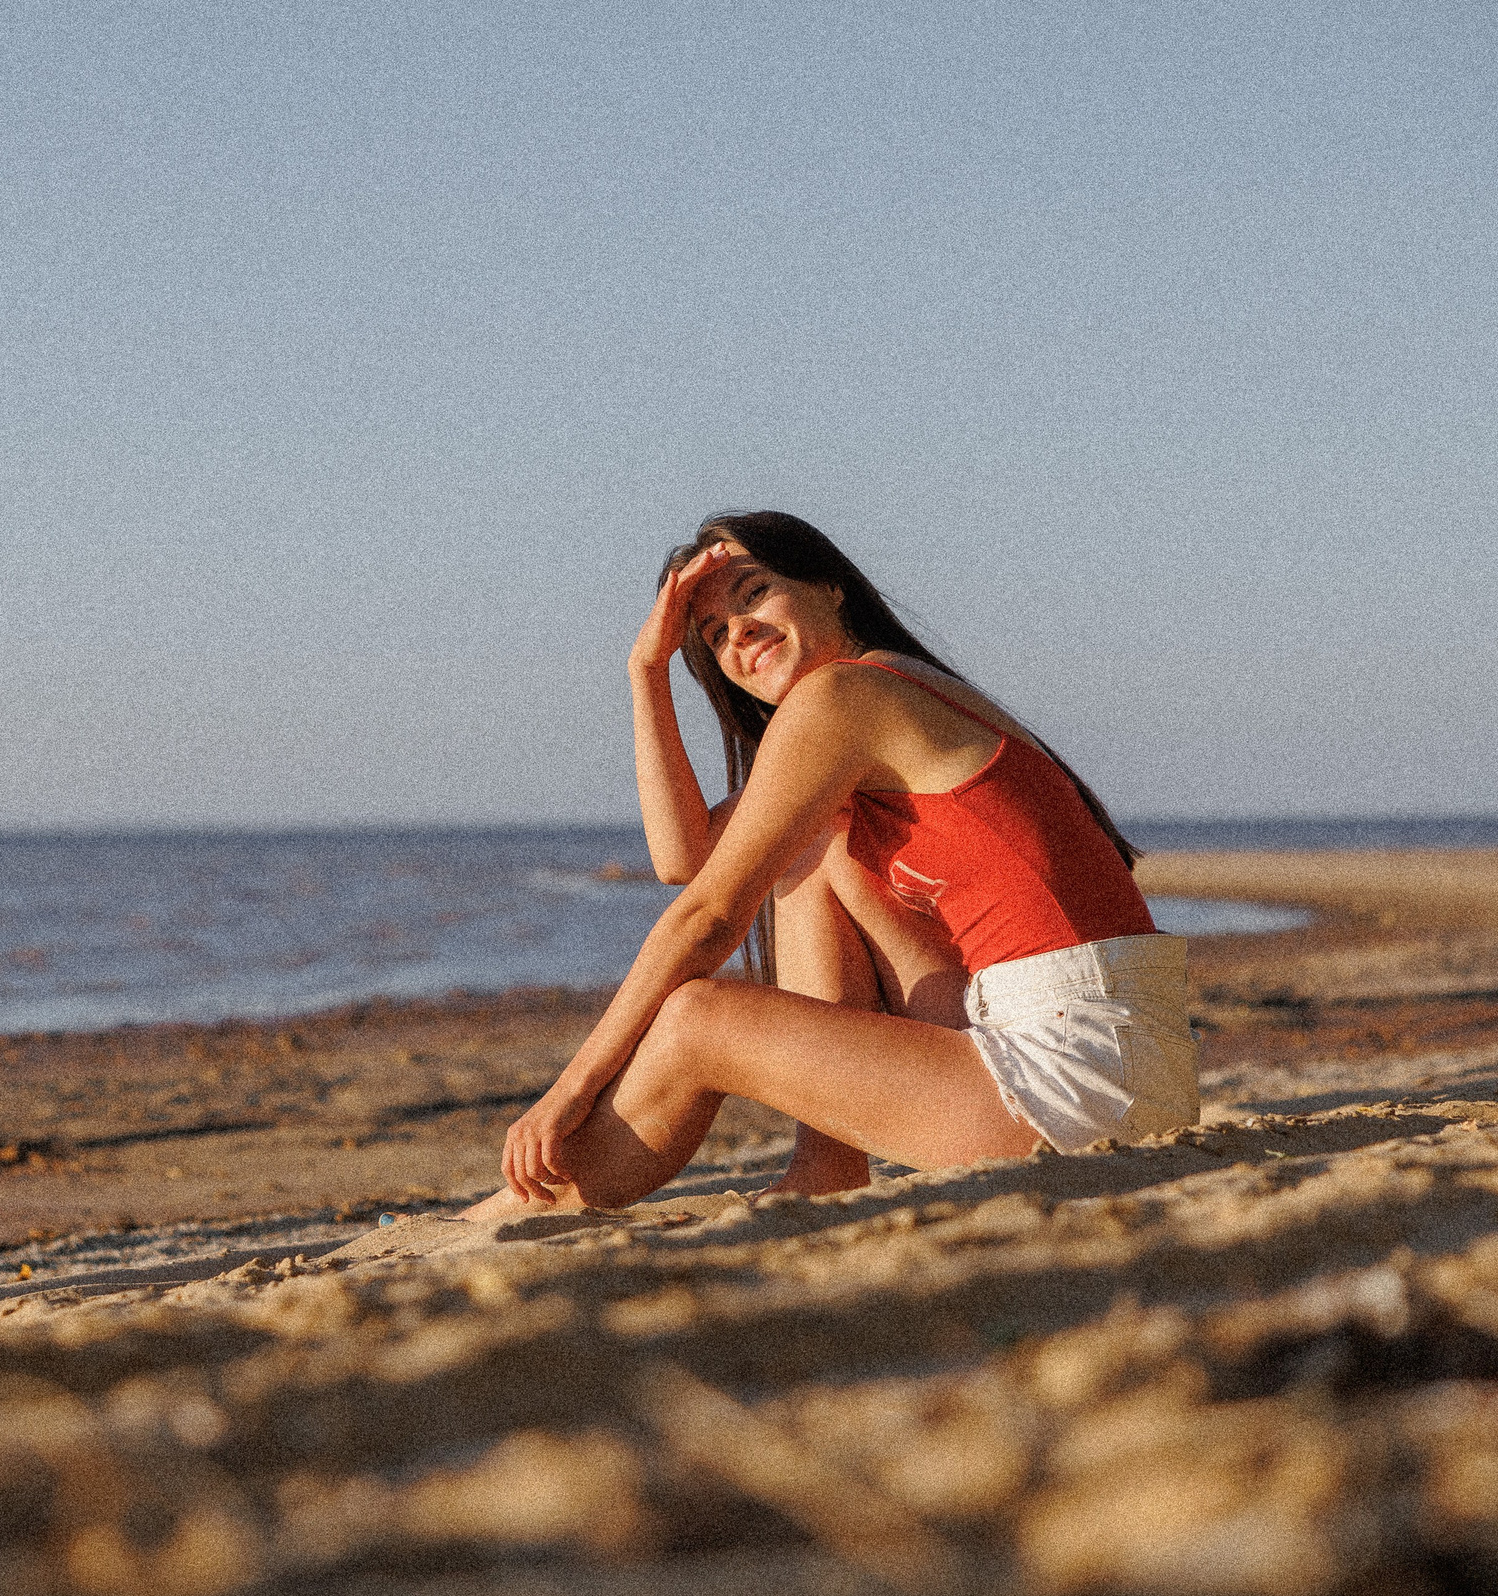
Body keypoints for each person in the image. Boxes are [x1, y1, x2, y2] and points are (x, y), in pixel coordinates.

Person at [463, 510, 1194, 1218]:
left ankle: (515, 1206)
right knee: (815, 848)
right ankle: (827, 1164)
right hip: (1118, 1050)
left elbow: (709, 914)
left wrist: (566, 1091)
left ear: (831, 585)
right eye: (714, 634)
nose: (740, 633)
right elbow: (682, 856)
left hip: (1078, 1069)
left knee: (696, 1019)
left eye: (754, 594)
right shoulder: (878, 696)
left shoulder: (842, 696)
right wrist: (646, 670)